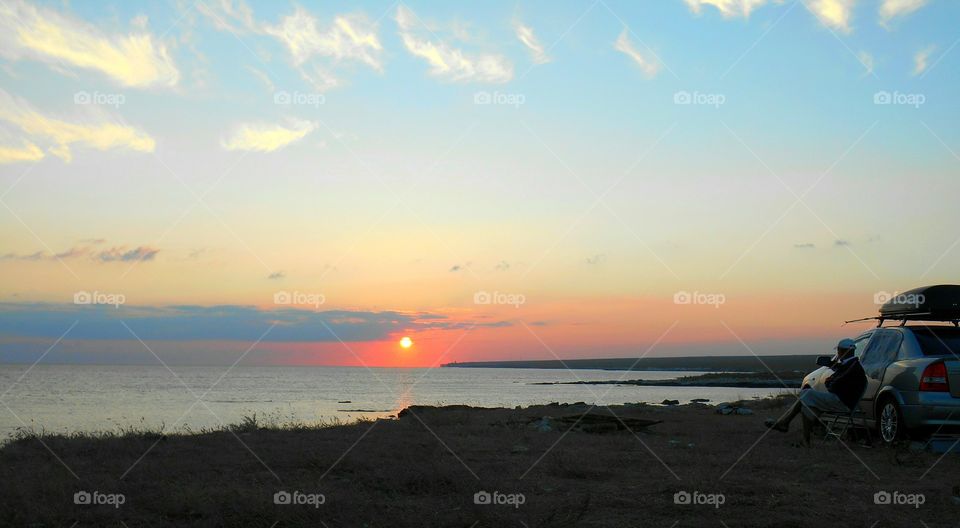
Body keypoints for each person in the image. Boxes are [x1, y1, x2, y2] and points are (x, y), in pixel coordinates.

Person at [766, 338, 867, 446]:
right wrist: (832, 377)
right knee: (807, 405)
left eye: (838, 350)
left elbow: (833, 386)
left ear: (842, 351)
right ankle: (805, 440)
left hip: (842, 403)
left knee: (807, 393)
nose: (837, 353)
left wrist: (831, 380)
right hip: (841, 400)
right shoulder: (850, 365)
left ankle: (785, 423)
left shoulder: (852, 367)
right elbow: (834, 382)